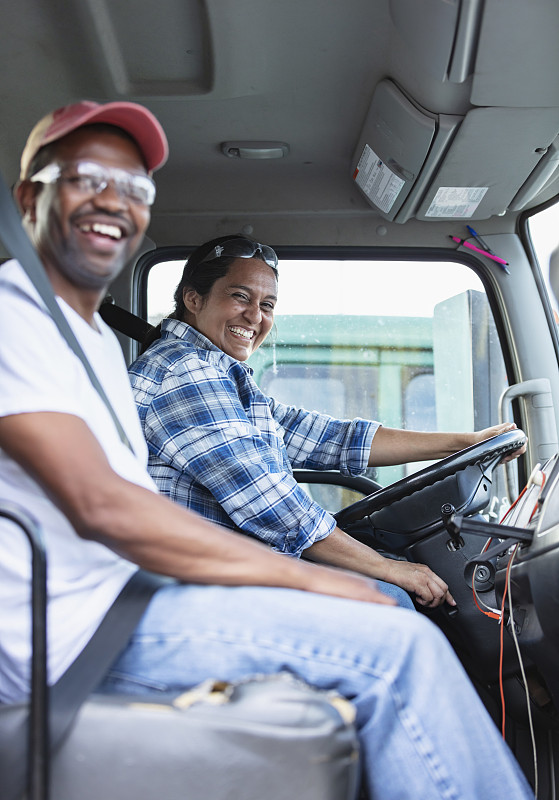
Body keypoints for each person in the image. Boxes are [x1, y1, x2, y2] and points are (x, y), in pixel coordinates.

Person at [0, 100, 533, 800]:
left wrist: (463, 441)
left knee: (384, 609)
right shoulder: (37, 324)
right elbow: (112, 505)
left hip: (123, 598)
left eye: (135, 187)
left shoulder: (98, 340)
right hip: (75, 631)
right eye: (87, 176)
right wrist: (342, 578)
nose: (114, 200)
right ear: (30, 196)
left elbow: (333, 438)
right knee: (396, 644)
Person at [129, 236, 524, 608]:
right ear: (193, 299)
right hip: (194, 586)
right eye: (240, 297)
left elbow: (330, 439)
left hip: (222, 569)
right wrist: (391, 569)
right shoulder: (186, 372)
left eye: (267, 305)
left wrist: (468, 443)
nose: (254, 316)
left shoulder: (216, 374)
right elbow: (270, 503)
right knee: (391, 602)